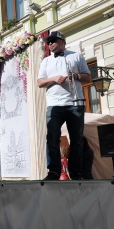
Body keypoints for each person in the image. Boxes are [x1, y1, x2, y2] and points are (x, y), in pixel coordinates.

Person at [37, 31, 91, 180]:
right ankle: (53, 172)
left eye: (53, 41)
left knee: (77, 139)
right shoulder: (46, 61)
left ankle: (76, 172)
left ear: (62, 41)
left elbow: (88, 77)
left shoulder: (76, 56)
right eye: (48, 42)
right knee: (52, 137)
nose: (50, 44)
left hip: (75, 102)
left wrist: (76, 76)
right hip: (54, 104)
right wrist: (54, 79)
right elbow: (40, 82)